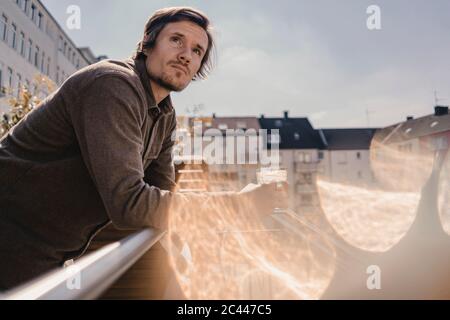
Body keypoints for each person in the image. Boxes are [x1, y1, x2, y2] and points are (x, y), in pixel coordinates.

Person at [0, 7, 284, 291]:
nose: (186, 54)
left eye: (197, 51)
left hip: (50, 251)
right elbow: (129, 203)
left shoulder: (164, 114)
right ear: (148, 43)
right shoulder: (112, 85)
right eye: (176, 40)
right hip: (12, 233)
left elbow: (162, 191)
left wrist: (184, 249)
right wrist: (237, 206)